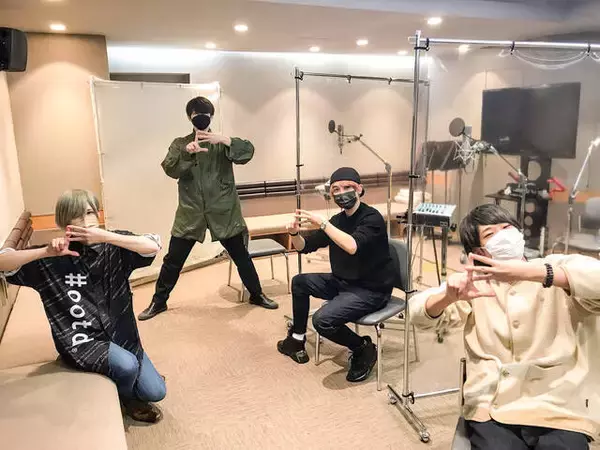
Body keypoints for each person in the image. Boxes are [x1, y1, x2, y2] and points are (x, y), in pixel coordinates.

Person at [409, 204, 600, 450]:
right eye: (491, 234)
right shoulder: (475, 283)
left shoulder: (553, 266)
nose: (504, 235)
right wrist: (448, 296)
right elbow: (417, 313)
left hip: (559, 402)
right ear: (480, 252)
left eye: (507, 228)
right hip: (493, 403)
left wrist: (541, 274)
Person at [0, 190, 166, 423]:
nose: (86, 220)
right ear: (65, 222)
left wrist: (106, 236)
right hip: (82, 342)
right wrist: (45, 252)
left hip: (121, 335)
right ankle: (128, 399)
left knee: (156, 392)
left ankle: (122, 372)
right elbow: (3, 261)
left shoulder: (113, 245)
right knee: (127, 366)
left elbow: (153, 245)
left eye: (89, 212)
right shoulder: (52, 257)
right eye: (77, 215)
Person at [139, 96, 277, 320]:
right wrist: (187, 152)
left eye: (206, 115)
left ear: (211, 117)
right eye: (196, 115)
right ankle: (158, 302)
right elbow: (170, 169)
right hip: (190, 212)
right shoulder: (180, 143)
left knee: (241, 256)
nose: (201, 119)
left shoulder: (221, 143)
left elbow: (248, 152)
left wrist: (226, 140)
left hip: (224, 211)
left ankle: (256, 294)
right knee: (173, 260)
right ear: (189, 117)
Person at [277, 167, 396, 382]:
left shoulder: (372, 218)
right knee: (299, 282)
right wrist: (294, 233)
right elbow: (305, 246)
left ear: (359, 189)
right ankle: (297, 338)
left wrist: (323, 224)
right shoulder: (337, 221)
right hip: (342, 282)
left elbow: (352, 246)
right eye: (335, 189)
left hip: (371, 290)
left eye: (347, 187)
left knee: (322, 320)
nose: (341, 193)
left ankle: (363, 347)